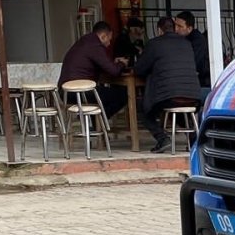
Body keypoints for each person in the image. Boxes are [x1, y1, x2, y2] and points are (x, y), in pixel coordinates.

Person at [133, 17, 201, 153]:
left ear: (159, 30)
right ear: (174, 29)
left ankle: (162, 138)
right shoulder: (187, 43)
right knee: (177, 107)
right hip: (194, 96)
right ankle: (193, 138)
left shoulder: (154, 44)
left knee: (142, 107)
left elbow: (139, 69)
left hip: (169, 96)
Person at [58, 21, 128, 120]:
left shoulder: (84, 41)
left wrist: (113, 63)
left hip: (65, 92)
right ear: (103, 36)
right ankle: (100, 121)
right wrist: (122, 63)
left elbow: (101, 64)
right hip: (80, 92)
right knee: (123, 95)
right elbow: (114, 71)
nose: (109, 44)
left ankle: (96, 122)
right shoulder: (95, 45)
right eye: (109, 40)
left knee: (102, 94)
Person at [174, 11, 212, 88]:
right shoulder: (183, 39)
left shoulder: (197, 41)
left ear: (189, 28)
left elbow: (193, 62)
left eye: (180, 26)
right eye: (175, 25)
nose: (176, 29)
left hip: (202, 82)